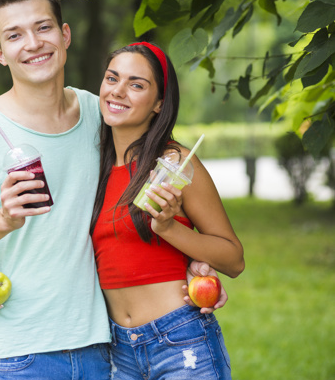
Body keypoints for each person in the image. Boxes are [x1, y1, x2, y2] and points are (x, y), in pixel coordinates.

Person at [0, 0, 227, 379]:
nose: (32, 44)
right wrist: (2, 221)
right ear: (0, 53)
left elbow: (142, 187)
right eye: (15, 35)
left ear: (65, 35)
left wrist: (196, 263)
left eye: (43, 27)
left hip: (103, 352)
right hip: (18, 357)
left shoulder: (99, 115)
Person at [91, 42, 245, 379]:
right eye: (112, 78)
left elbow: (233, 259)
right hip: (116, 350)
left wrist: (169, 228)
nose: (118, 91)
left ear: (159, 103)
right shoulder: (93, 166)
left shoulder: (175, 164)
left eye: (136, 85)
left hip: (180, 341)